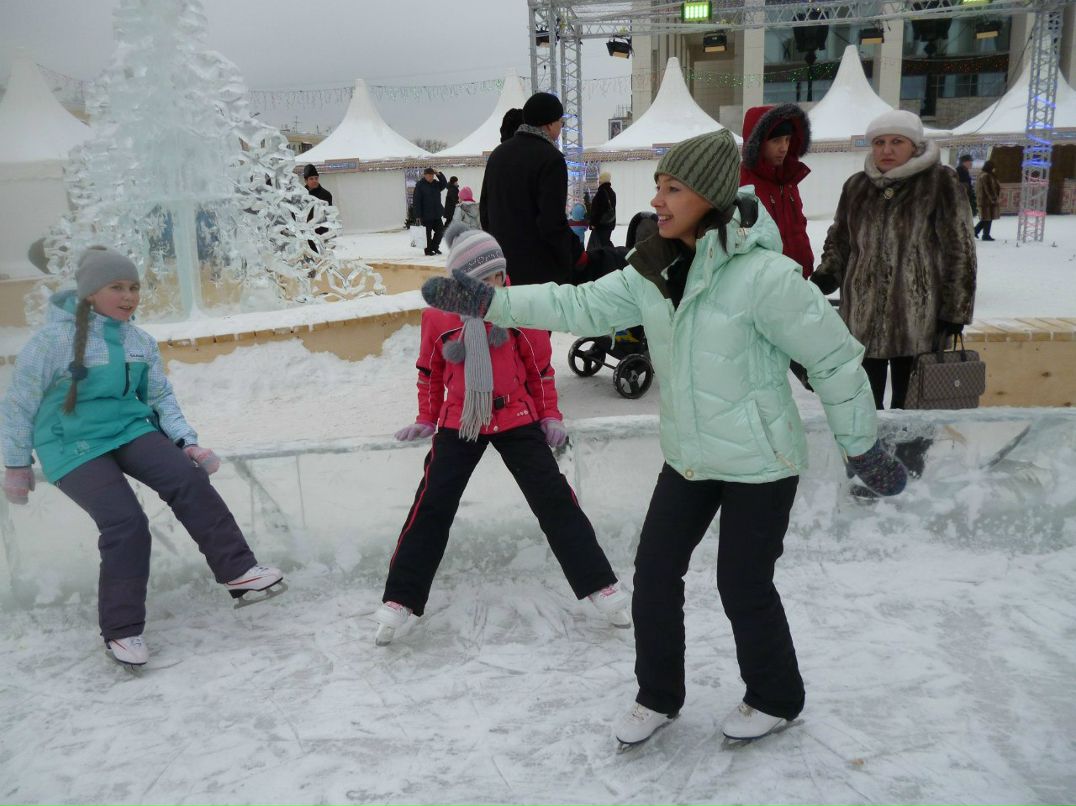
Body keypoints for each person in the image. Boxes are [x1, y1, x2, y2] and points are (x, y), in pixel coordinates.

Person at [420, 130, 906, 747]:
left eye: (674, 187)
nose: (660, 198)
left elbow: (836, 360)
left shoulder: (766, 278)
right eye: (659, 186)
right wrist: (490, 302)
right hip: (690, 457)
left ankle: (776, 696)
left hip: (761, 461)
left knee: (742, 583)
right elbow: (577, 306)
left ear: (709, 195)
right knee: (653, 574)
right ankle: (658, 696)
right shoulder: (652, 270)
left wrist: (861, 447)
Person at [0, 247, 284, 668]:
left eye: (133, 287)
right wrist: (16, 463)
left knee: (187, 480)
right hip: (71, 442)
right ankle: (122, 629)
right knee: (126, 523)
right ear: (90, 292)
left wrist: (186, 442)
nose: (129, 296)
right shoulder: (53, 341)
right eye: (116, 287)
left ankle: (238, 573)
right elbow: (19, 403)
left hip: (129, 428)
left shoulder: (138, 340)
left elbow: (158, 397)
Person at [373, 222, 631, 646]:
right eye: (482, 279)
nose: (493, 286)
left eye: (498, 275)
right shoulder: (439, 315)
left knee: (554, 500)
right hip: (460, 422)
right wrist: (427, 416)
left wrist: (550, 416)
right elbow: (430, 372)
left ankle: (600, 584)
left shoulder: (516, 307)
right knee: (432, 505)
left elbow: (541, 370)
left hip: (515, 418)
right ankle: (401, 599)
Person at [811, 110, 977, 411]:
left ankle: (910, 458)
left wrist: (955, 310)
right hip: (861, 318)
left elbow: (960, 249)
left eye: (896, 141)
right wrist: (826, 274)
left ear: (914, 145)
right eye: (879, 142)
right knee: (862, 406)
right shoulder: (856, 186)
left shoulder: (940, 182)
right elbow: (841, 238)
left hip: (917, 318)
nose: (886, 150)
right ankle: (866, 457)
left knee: (912, 407)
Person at [480, 92, 583, 286]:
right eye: (561, 122)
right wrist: (574, 254)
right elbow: (551, 222)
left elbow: (485, 211)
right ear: (549, 124)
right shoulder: (551, 158)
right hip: (539, 274)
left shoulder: (498, 155)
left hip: (502, 270)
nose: (561, 127)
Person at [739, 104, 813, 279]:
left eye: (787, 139)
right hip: (766, 284)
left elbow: (798, 227)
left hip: (797, 275)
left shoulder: (788, 180)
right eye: (776, 141)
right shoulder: (744, 186)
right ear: (757, 143)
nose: (784, 148)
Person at [412, 167, 448, 256]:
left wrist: (439, 174)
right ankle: (428, 250)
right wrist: (417, 215)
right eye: (428, 175)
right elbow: (416, 201)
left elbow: (444, 184)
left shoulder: (436, 184)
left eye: (432, 175)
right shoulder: (420, 185)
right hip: (426, 215)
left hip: (436, 214)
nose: (430, 177)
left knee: (440, 231)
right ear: (425, 175)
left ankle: (435, 247)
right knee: (427, 235)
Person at [587, 172, 617, 250]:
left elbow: (598, 211)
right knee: (605, 242)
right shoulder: (612, 192)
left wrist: (593, 223)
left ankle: (614, 257)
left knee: (602, 244)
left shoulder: (601, 193)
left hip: (601, 224)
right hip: (609, 222)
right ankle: (613, 256)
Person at [975, 160, 1001, 241]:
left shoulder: (982, 175)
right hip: (987, 200)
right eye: (993, 168)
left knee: (986, 218)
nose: (994, 169)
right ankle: (985, 235)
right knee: (987, 218)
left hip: (984, 199)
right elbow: (989, 189)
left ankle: (977, 231)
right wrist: (993, 199)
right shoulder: (986, 176)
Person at [956, 154, 978, 220]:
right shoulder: (960, 170)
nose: (971, 163)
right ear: (964, 162)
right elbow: (958, 186)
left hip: (965, 199)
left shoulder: (964, 170)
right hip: (962, 201)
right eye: (970, 161)